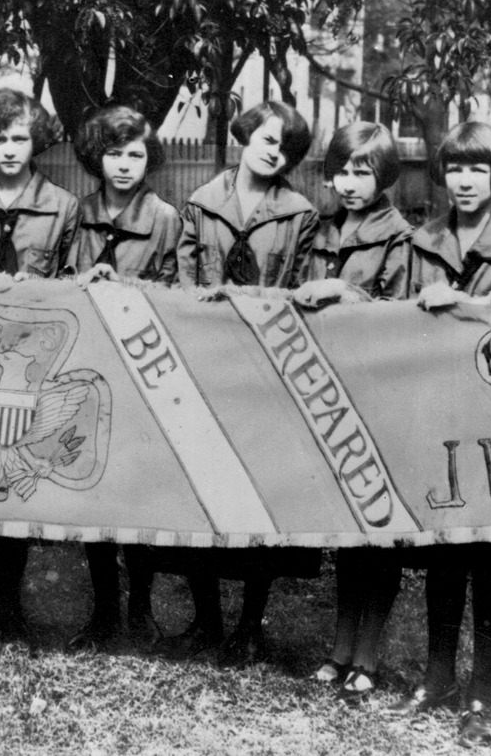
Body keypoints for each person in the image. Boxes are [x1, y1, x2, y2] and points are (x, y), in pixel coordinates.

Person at [389, 121, 491, 742]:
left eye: (478, 169)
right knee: (444, 549)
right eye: (455, 169)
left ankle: (483, 685)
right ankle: (437, 674)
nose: (466, 180)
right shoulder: (422, 240)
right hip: (437, 408)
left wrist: (479, 309)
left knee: (488, 555)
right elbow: (396, 318)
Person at [166, 100, 319, 666]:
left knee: (262, 497)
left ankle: (250, 624)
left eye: (287, 147)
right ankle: (206, 619)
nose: (275, 152)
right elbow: (183, 284)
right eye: (267, 139)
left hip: (266, 367)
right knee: (199, 491)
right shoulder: (202, 204)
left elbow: (302, 288)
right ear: (245, 136)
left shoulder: (300, 214)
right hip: (207, 360)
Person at [291, 121, 413, 699]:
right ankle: (339, 648)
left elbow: (402, 315)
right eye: (341, 171)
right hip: (327, 390)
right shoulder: (321, 228)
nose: (349, 183)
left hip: (379, 392)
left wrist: (347, 293)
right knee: (347, 531)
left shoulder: (399, 237)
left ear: (383, 176)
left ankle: (368, 652)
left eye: (362, 172)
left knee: (378, 532)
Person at [0, 87, 78, 643]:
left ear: (37, 143)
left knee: (17, 478)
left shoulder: (63, 207)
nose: (9, 149)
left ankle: (11, 607)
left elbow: (73, 288)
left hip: (32, 368)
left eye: (20, 138)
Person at [64, 105, 181, 650]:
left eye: (136, 154)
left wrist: (131, 291)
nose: (125, 164)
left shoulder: (165, 218)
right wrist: (84, 283)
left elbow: (180, 293)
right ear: (97, 158)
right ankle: (103, 610)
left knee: (138, 490)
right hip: (90, 364)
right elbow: (58, 282)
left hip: (143, 368)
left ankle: (141, 610)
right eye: (114, 153)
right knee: (94, 490)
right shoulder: (79, 211)